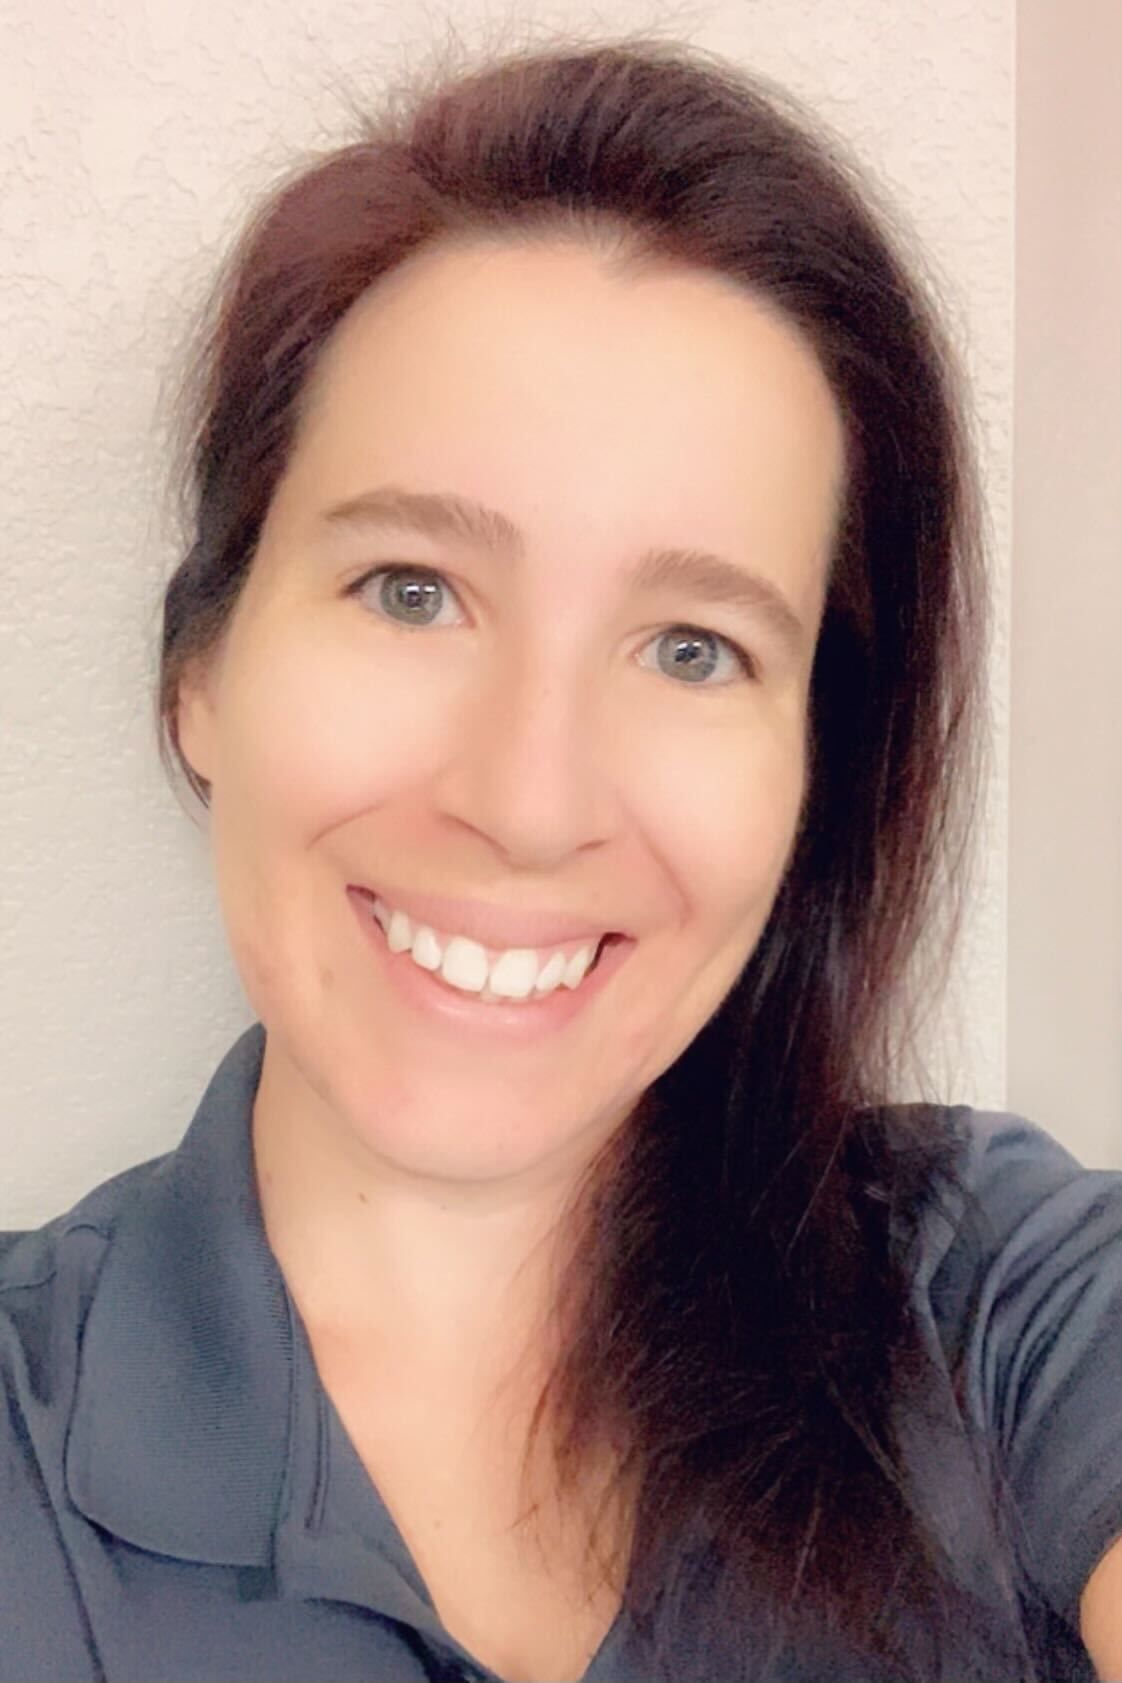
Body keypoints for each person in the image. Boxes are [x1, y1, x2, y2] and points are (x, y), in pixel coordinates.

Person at [1, 27, 1119, 1683]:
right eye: (410, 589)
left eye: (690, 648)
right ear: (201, 679)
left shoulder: (989, 1298)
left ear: (818, 763)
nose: (530, 802)